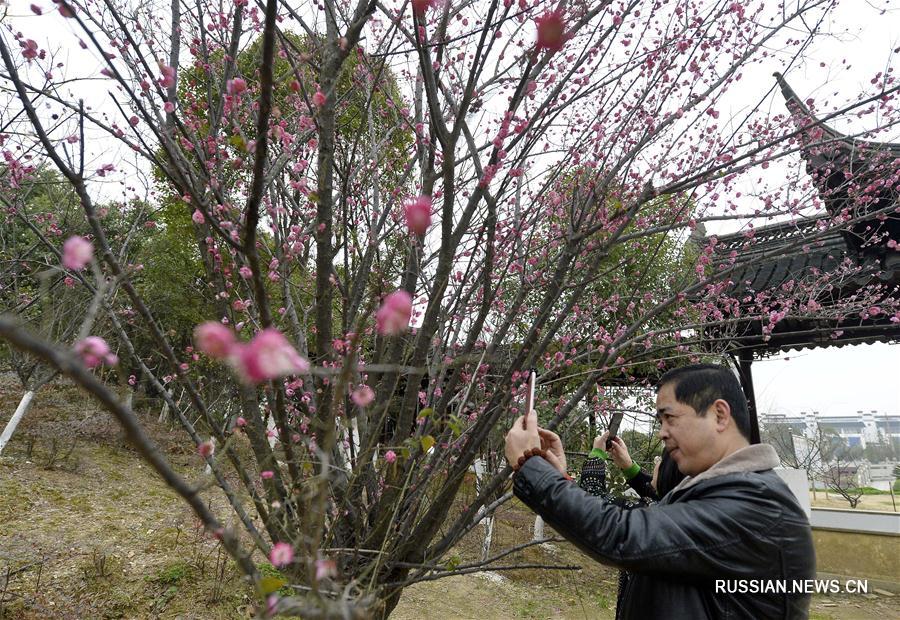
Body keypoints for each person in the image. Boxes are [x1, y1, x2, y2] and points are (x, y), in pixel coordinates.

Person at [506, 363, 815, 619]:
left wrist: (530, 468)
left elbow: (623, 536)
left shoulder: (757, 506)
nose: (663, 433)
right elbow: (627, 523)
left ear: (720, 415)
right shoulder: (712, 493)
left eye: (670, 418)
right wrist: (559, 477)